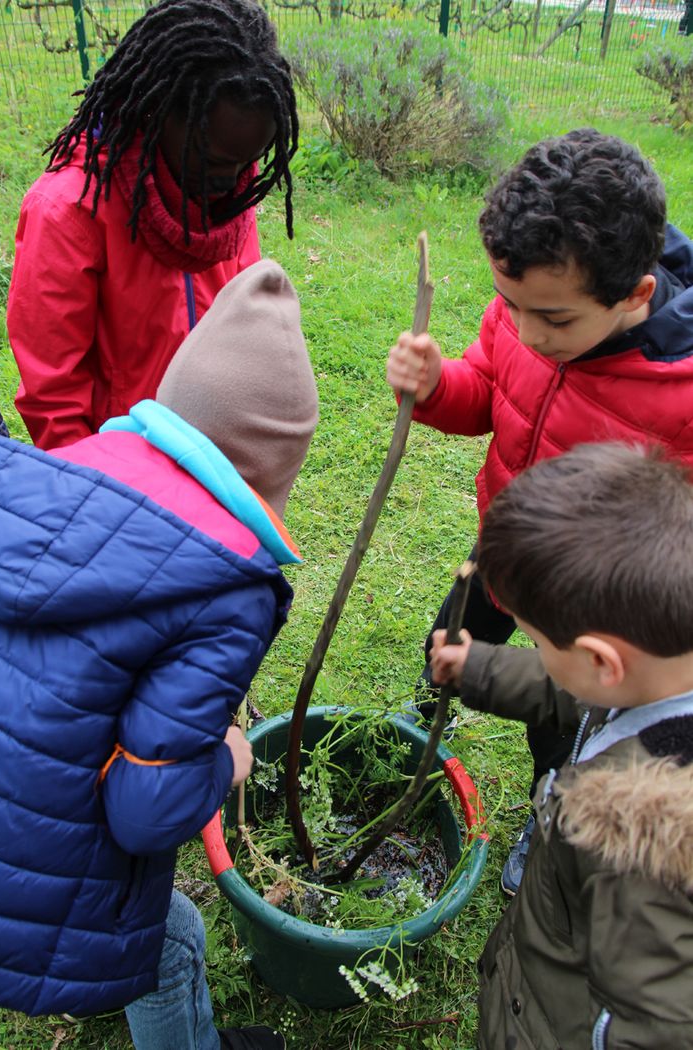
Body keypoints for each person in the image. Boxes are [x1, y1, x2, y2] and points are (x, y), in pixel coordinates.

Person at [0, 260, 318, 1050]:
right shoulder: (229, 592)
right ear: (267, 475)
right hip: (17, 862)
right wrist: (227, 761)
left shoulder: (51, 473)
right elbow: (146, 814)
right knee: (170, 944)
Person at [386, 127, 693, 895]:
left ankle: (551, 803)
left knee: (560, 718)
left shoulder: (681, 398)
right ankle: (418, 735)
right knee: (449, 639)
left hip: (593, 606)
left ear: (635, 296)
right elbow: (489, 394)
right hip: (502, 546)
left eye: (553, 321)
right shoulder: (529, 312)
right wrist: (434, 387)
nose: (525, 332)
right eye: (508, 304)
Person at [430, 442, 693, 1049]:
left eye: (536, 642)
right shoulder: (661, 657)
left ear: (603, 661)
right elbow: (580, 696)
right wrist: (479, 669)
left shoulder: (641, 854)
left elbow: (659, 1028)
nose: (536, 654)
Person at [7, 0, 298, 451]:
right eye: (217, 161)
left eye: (247, 163)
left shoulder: (224, 190)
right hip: (119, 471)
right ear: (160, 112)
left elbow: (242, 332)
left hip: (214, 461)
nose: (231, 181)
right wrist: (100, 489)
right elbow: (54, 398)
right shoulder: (70, 208)